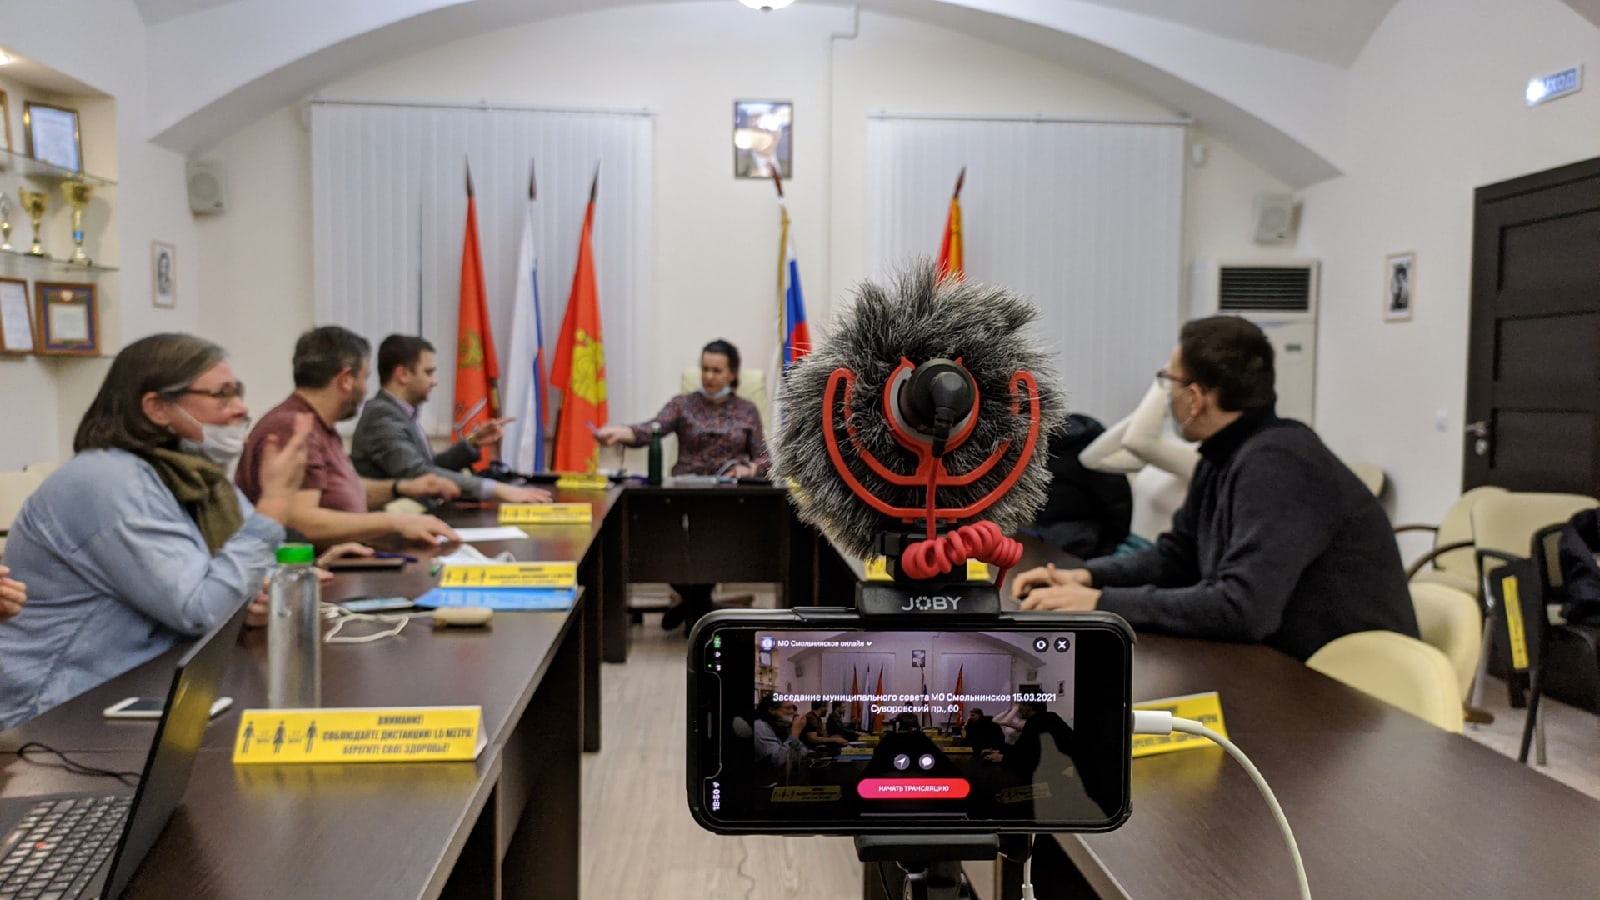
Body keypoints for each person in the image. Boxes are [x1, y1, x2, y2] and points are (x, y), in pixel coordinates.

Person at [1014, 316, 1419, 662]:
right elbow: (1178, 557)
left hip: (1350, 688)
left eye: (1167, 379)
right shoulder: (1226, 453)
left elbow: (1243, 609)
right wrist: (1086, 577)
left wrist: (1103, 604)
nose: (1165, 390)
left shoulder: (1278, 463)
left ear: (1195, 398)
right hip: (1290, 667)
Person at [0, 333, 310, 728]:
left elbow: (247, 576)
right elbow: (201, 610)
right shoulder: (106, 481)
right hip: (58, 713)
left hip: (145, 691)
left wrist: (261, 596)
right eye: (223, 395)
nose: (241, 408)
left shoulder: (190, 475)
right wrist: (274, 508)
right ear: (157, 407)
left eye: (239, 393)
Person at [594, 339, 768, 631]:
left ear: (732, 374)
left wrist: (750, 468)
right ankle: (702, 608)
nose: (709, 377)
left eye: (717, 370)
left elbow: (766, 460)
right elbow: (650, 429)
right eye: (705, 369)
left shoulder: (747, 410)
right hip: (685, 495)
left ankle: (695, 607)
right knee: (661, 540)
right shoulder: (683, 404)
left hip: (728, 500)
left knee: (717, 539)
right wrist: (618, 433)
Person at [236, 326, 461, 547]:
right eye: (364, 378)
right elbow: (300, 522)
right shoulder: (292, 428)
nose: (365, 389)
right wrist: (396, 522)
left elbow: (340, 491)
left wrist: (401, 488)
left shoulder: (319, 425)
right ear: (345, 379)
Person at [350, 335, 552, 504]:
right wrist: (498, 490)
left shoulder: (401, 412)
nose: (434, 381)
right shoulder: (381, 416)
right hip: (387, 531)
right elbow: (418, 474)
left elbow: (429, 465)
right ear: (402, 374)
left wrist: (473, 442)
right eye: (428, 372)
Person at [1080, 378, 1199, 546]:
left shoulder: (1201, 459)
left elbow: (1138, 442)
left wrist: (1166, 381)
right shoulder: (1170, 444)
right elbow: (1093, 458)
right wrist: (1160, 406)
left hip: (1158, 561)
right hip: (1130, 552)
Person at [1025, 414, 1133, 559]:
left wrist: (1115, 540)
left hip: (1084, 537)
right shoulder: (1035, 441)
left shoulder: (1090, 444)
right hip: (1046, 527)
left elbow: (1118, 502)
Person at [752, 693, 802, 785]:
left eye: (792, 708)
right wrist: (794, 735)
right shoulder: (759, 727)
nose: (793, 712)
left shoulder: (781, 726)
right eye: (787, 708)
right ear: (771, 710)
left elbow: (801, 751)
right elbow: (779, 760)